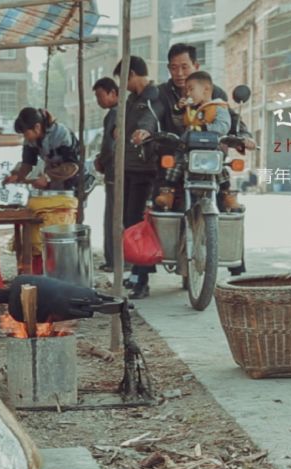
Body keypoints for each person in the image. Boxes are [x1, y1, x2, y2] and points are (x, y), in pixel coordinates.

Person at [112, 55, 168, 298]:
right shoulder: (133, 99)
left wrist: (143, 131)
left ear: (133, 74)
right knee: (129, 220)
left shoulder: (153, 97)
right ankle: (137, 270)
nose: (122, 84)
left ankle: (142, 278)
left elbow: (150, 121)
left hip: (146, 169)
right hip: (129, 168)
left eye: (123, 78)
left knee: (139, 223)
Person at [154, 71, 241, 212]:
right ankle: (167, 193)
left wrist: (206, 127)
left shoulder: (219, 107)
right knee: (176, 164)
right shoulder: (191, 110)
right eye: (186, 90)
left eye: (191, 89)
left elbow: (224, 126)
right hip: (189, 149)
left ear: (206, 89)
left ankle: (227, 196)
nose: (187, 93)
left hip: (211, 149)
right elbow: (180, 124)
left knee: (222, 169)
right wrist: (177, 109)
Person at [3, 108, 83, 191]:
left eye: (26, 133)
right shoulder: (30, 141)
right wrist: (17, 176)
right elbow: (27, 164)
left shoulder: (61, 135)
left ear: (37, 127)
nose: (25, 137)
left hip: (76, 181)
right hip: (53, 181)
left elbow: (72, 166)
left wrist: (47, 177)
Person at [92, 77, 119, 272]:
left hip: (114, 170)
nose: (98, 101)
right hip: (118, 170)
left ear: (113, 93)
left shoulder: (115, 114)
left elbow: (110, 145)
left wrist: (101, 160)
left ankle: (115, 260)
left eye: (100, 96)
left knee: (113, 216)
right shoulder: (117, 113)